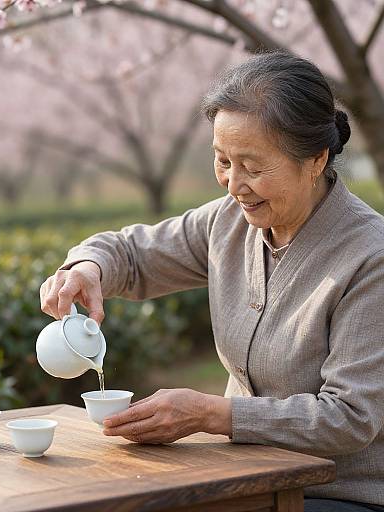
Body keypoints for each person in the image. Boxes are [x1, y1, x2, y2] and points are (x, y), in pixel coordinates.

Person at [39, 51, 384, 512]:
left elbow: (349, 418)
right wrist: (87, 268)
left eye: (253, 167)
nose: (232, 184)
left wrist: (210, 414)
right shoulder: (229, 222)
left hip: (335, 495)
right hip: (242, 482)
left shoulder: (370, 258)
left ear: (316, 159)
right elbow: (133, 253)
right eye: (222, 160)